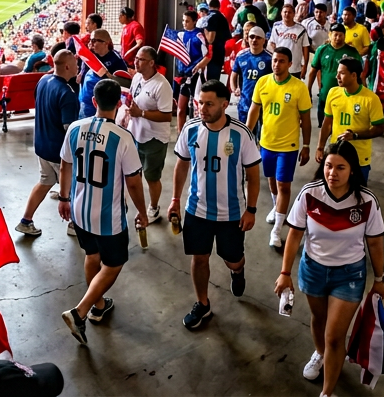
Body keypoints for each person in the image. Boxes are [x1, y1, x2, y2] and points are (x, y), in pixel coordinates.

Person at [273, 140, 384, 397]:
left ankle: (327, 392)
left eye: (340, 168)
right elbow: (294, 236)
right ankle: (321, 354)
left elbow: (375, 243)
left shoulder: (366, 201)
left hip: (349, 275)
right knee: (318, 320)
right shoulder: (310, 194)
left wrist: (379, 278)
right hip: (312, 269)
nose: (332, 173)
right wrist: (285, 273)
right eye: (328, 166)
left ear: (353, 171)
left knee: (335, 335)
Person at [57, 79, 148, 345]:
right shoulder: (123, 138)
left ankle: (99, 305)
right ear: (119, 104)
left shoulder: (75, 128)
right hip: (108, 216)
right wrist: (142, 211)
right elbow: (133, 181)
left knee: (92, 255)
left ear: (94, 102)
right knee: (113, 263)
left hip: (80, 211)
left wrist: (63, 198)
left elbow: (65, 164)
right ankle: (81, 311)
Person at [170, 79, 261, 330]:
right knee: (200, 259)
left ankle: (237, 271)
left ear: (224, 104)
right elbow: (181, 165)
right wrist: (175, 200)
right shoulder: (190, 129)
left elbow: (253, 176)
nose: (202, 108)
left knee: (232, 259)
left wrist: (251, 209)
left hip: (231, 214)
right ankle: (203, 303)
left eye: (209, 104)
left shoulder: (242, 134)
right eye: (200, 103)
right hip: (197, 210)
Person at [247, 47, 312, 250]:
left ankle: (277, 229)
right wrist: (248, 136)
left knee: (284, 186)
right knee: (272, 182)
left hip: (288, 145)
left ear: (290, 64)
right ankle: (277, 207)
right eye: (275, 60)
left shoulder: (298, 87)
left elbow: (306, 120)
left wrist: (307, 145)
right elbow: (254, 111)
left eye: (282, 61)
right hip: (267, 143)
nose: (277, 64)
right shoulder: (263, 83)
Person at [17, 50, 79, 237]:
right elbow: (70, 130)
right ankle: (74, 225)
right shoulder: (67, 94)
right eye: (76, 63)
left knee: (45, 182)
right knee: (75, 187)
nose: (78, 66)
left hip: (42, 146)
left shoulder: (43, 81)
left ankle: (25, 220)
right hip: (59, 152)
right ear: (67, 66)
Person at [122, 47, 174, 224]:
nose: (136, 62)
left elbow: (167, 115)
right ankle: (131, 204)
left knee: (152, 176)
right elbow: (132, 99)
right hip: (134, 134)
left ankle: (153, 207)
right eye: (136, 58)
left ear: (152, 63)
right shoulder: (136, 78)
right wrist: (127, 113)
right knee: (132, 174)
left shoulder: (162, 85)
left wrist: (142, 114)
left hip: (154, 138)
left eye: (141, 59)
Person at [318, 58, 384, 180]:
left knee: (357, 195)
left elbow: (379, 129)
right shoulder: (333, 93)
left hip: (359, 158)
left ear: (354, 75)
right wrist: (320, 147)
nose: (337, 76)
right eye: (337, 72)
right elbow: (327, 123)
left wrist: (355, 135)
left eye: (342, 73)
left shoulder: (371, 99)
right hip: (336, 155)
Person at [76, 28, 128, 119]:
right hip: (86, 102)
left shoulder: (116, 59)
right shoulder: (89, 55)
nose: (91, 44)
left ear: (106, 43)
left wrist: (110, 77)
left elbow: (125, 83)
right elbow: (82, 75)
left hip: (102, 106)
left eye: (94, 41)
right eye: (90, 40)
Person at [230, 26, 272, 136]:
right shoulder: (241, 56)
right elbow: (233, 75)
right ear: (247, 39)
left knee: (264, 135)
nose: (254, 40)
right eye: (252, 37)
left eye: (258, 38)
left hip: (264, 103)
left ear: (263, 40)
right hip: (246, 102)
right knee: (246, 135)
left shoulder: (270, 59)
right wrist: (235, 89)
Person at [308, 23, 358, 111]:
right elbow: (313, 72)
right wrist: (308, 90)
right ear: (330, 35)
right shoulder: (321, 50)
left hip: (345, 96)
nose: (338, 38)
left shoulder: (352, 52)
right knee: (323, 123)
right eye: (335, 35)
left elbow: (359, 73)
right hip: (325, 95)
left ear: (344, 36)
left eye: (340, 35)